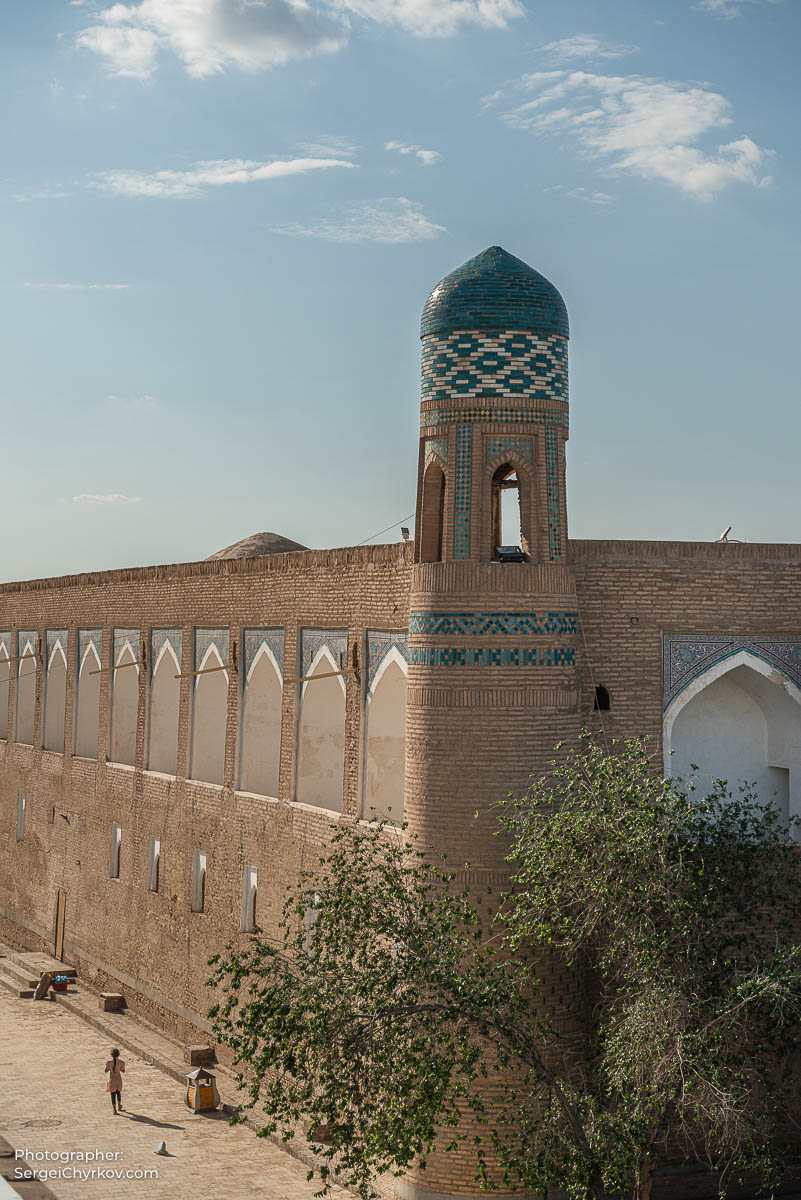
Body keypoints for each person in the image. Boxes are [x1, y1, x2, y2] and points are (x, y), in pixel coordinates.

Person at [105, 1048, 126, 1114]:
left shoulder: (108, 1062)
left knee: (113, 1094)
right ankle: (119, 1105)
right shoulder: (122, 1062)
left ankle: (114, 1110)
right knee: (118, 1092)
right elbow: (123, 1071)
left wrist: (110, 1069)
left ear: (111, 1055)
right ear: (118, 1055)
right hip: (118, 1079)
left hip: (112, 1079)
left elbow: (106, 1070)